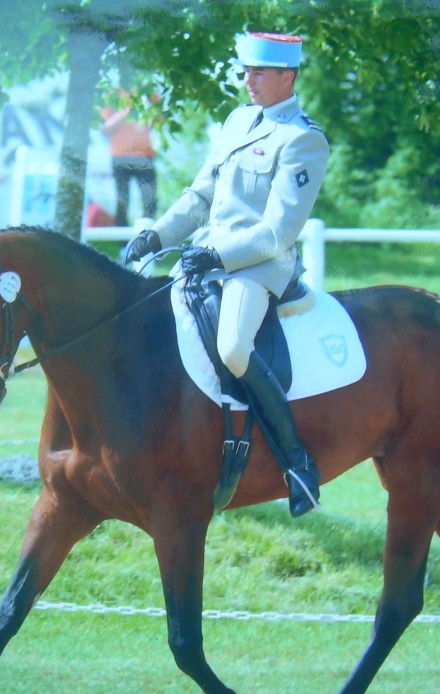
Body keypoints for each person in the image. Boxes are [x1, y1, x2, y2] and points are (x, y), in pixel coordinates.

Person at [123, 32, 329, 517]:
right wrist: (157, 234)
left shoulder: (303, 138)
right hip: (204, 256)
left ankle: (297, 460)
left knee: (233, 346)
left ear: (287, 76)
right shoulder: (238, 120)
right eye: (245, 71)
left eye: (259, 72)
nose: (247, 80)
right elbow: (199, 196)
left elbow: (279, 230)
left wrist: (216, 256)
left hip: (257, 267)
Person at [99, 90, 158, 227]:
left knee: (150, 199)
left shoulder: (149, 92)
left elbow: (157, 121)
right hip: (120, 156)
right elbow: (105, 128)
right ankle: (123, 244)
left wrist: (146, 108)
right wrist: (127, 111)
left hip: (144, 155)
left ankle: (148, 237)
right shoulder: (112, 95)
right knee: (122, 200)